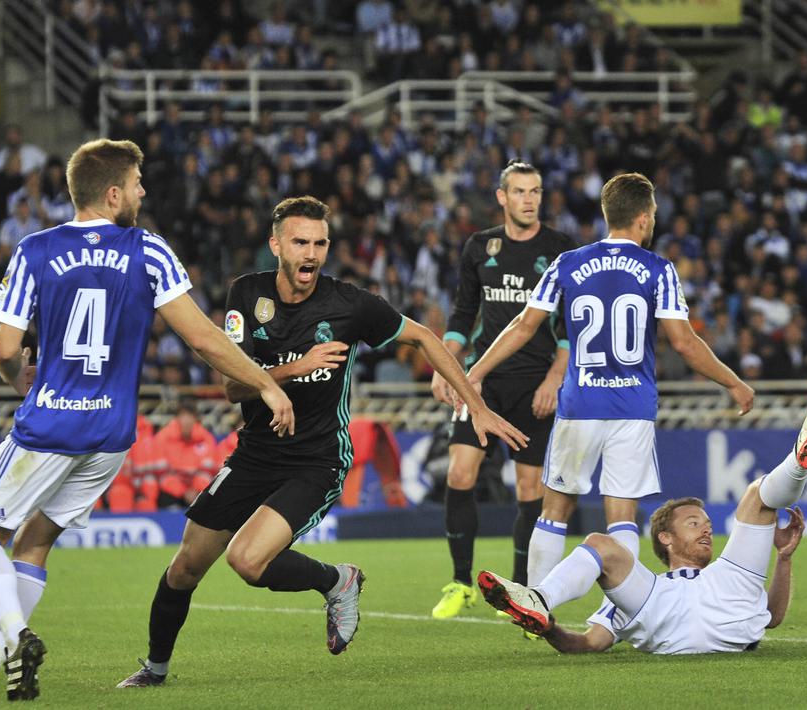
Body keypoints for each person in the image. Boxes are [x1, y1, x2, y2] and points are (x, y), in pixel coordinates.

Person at [116, 196, 529, 689]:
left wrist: (476, 405)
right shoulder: (246, 295)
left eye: (319, 243)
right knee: (185, 566)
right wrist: (297, 367)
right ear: (276, 245)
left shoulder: (349, 304)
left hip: (317, 459)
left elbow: (423, 338)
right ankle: (155, 670)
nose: (310, 253)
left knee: (247, 561)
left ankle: (336, 582)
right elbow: (232, 387)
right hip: (254, 452)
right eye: (299, 242)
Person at [0, 138, 294, 702]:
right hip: (111, 435)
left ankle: (16, 638)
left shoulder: (35, 250)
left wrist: (22, 383)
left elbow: (6, 346)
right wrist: (263, 382)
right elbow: (204, 338)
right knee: (35, 542)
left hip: (50, 425)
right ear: (113, 194)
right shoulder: (149, 251)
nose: (143, 192)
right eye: (137, 184)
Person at [465, 172, 754, 591]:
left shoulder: (568, 263)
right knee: (621, 518)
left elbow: (523, 326)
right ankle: (623, 616)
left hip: (579, 405)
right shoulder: (659, 269)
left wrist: (476, 371)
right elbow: (684, 343)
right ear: (642, 217)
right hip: (632, 409)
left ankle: (534, 606)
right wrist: (733, 382)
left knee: (553, 512)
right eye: (652, 214)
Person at [478, 385, 807, 654]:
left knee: (757, 496)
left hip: (726, 596)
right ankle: (539, 599)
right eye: (694, 522)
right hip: (659, 603)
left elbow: (771, 618)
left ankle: (799, 462)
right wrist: (550, 630)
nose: (708, 527)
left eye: (707, 522)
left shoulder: (729, 575)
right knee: (601, 545)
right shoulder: (641, 591)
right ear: (665, 537)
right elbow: (589, 643)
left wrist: (785, 559)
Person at [430, 161, 575, 619]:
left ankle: (518, 590)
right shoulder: (479, 246)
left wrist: (555, 379)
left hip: (535, 386)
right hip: (482, 382)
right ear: (502, 197)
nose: (529, 199)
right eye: (520, 191)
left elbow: (572, 328)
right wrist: (445, 363)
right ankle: (460, 583)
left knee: (530, 486)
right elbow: (462, 314)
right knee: (459, 473)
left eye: (535, 191)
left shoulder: (560, 250)